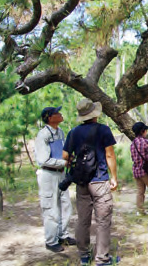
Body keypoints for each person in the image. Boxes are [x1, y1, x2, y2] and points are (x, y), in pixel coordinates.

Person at [63, 99, 120, 266]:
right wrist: (114, 177)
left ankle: (84, 256)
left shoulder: (73, 133)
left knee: (82, 219)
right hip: (100, 181)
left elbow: (65, 156)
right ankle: (102, 259)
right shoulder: (103, 130)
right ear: (95, 114)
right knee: (103, 221)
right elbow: (109, 155)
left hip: (82, 182)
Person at [35, 106, 76, 253]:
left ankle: (63, 235)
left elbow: (63, 152)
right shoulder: (43, 135)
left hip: (61, 173)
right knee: (51, 208)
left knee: (66, 206)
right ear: (49, 117)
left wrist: (69, 159)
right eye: (57, 113)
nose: (60, 114)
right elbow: (43, 159)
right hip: (48, 175)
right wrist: (63, 162)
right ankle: (51, 241)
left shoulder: (60, 132)